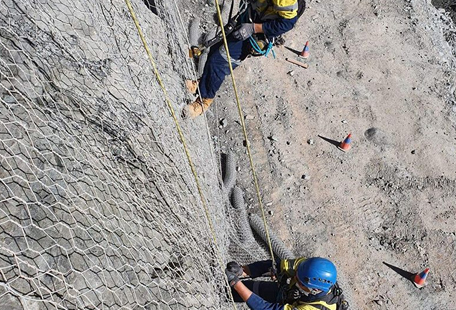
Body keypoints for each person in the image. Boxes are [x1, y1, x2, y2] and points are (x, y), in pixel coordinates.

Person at [183, 0, 303, 119]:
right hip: (249, 15)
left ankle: (203, 101)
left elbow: (287, 24)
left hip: (256, 32)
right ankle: (202, 83)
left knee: (220, 61)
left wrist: (254, 28)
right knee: (216, 48)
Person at [225, 257, 349, 310]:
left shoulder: (315, 308)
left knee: (242, 290)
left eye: (299, 281)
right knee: (253, 289)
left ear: (314, 290)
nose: (294, 276)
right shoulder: (305, 266)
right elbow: (276, 265)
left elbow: (266, 309)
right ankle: (226, 293)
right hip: (293, 298)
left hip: (298, 304)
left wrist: (235, 283)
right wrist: (244, 271)